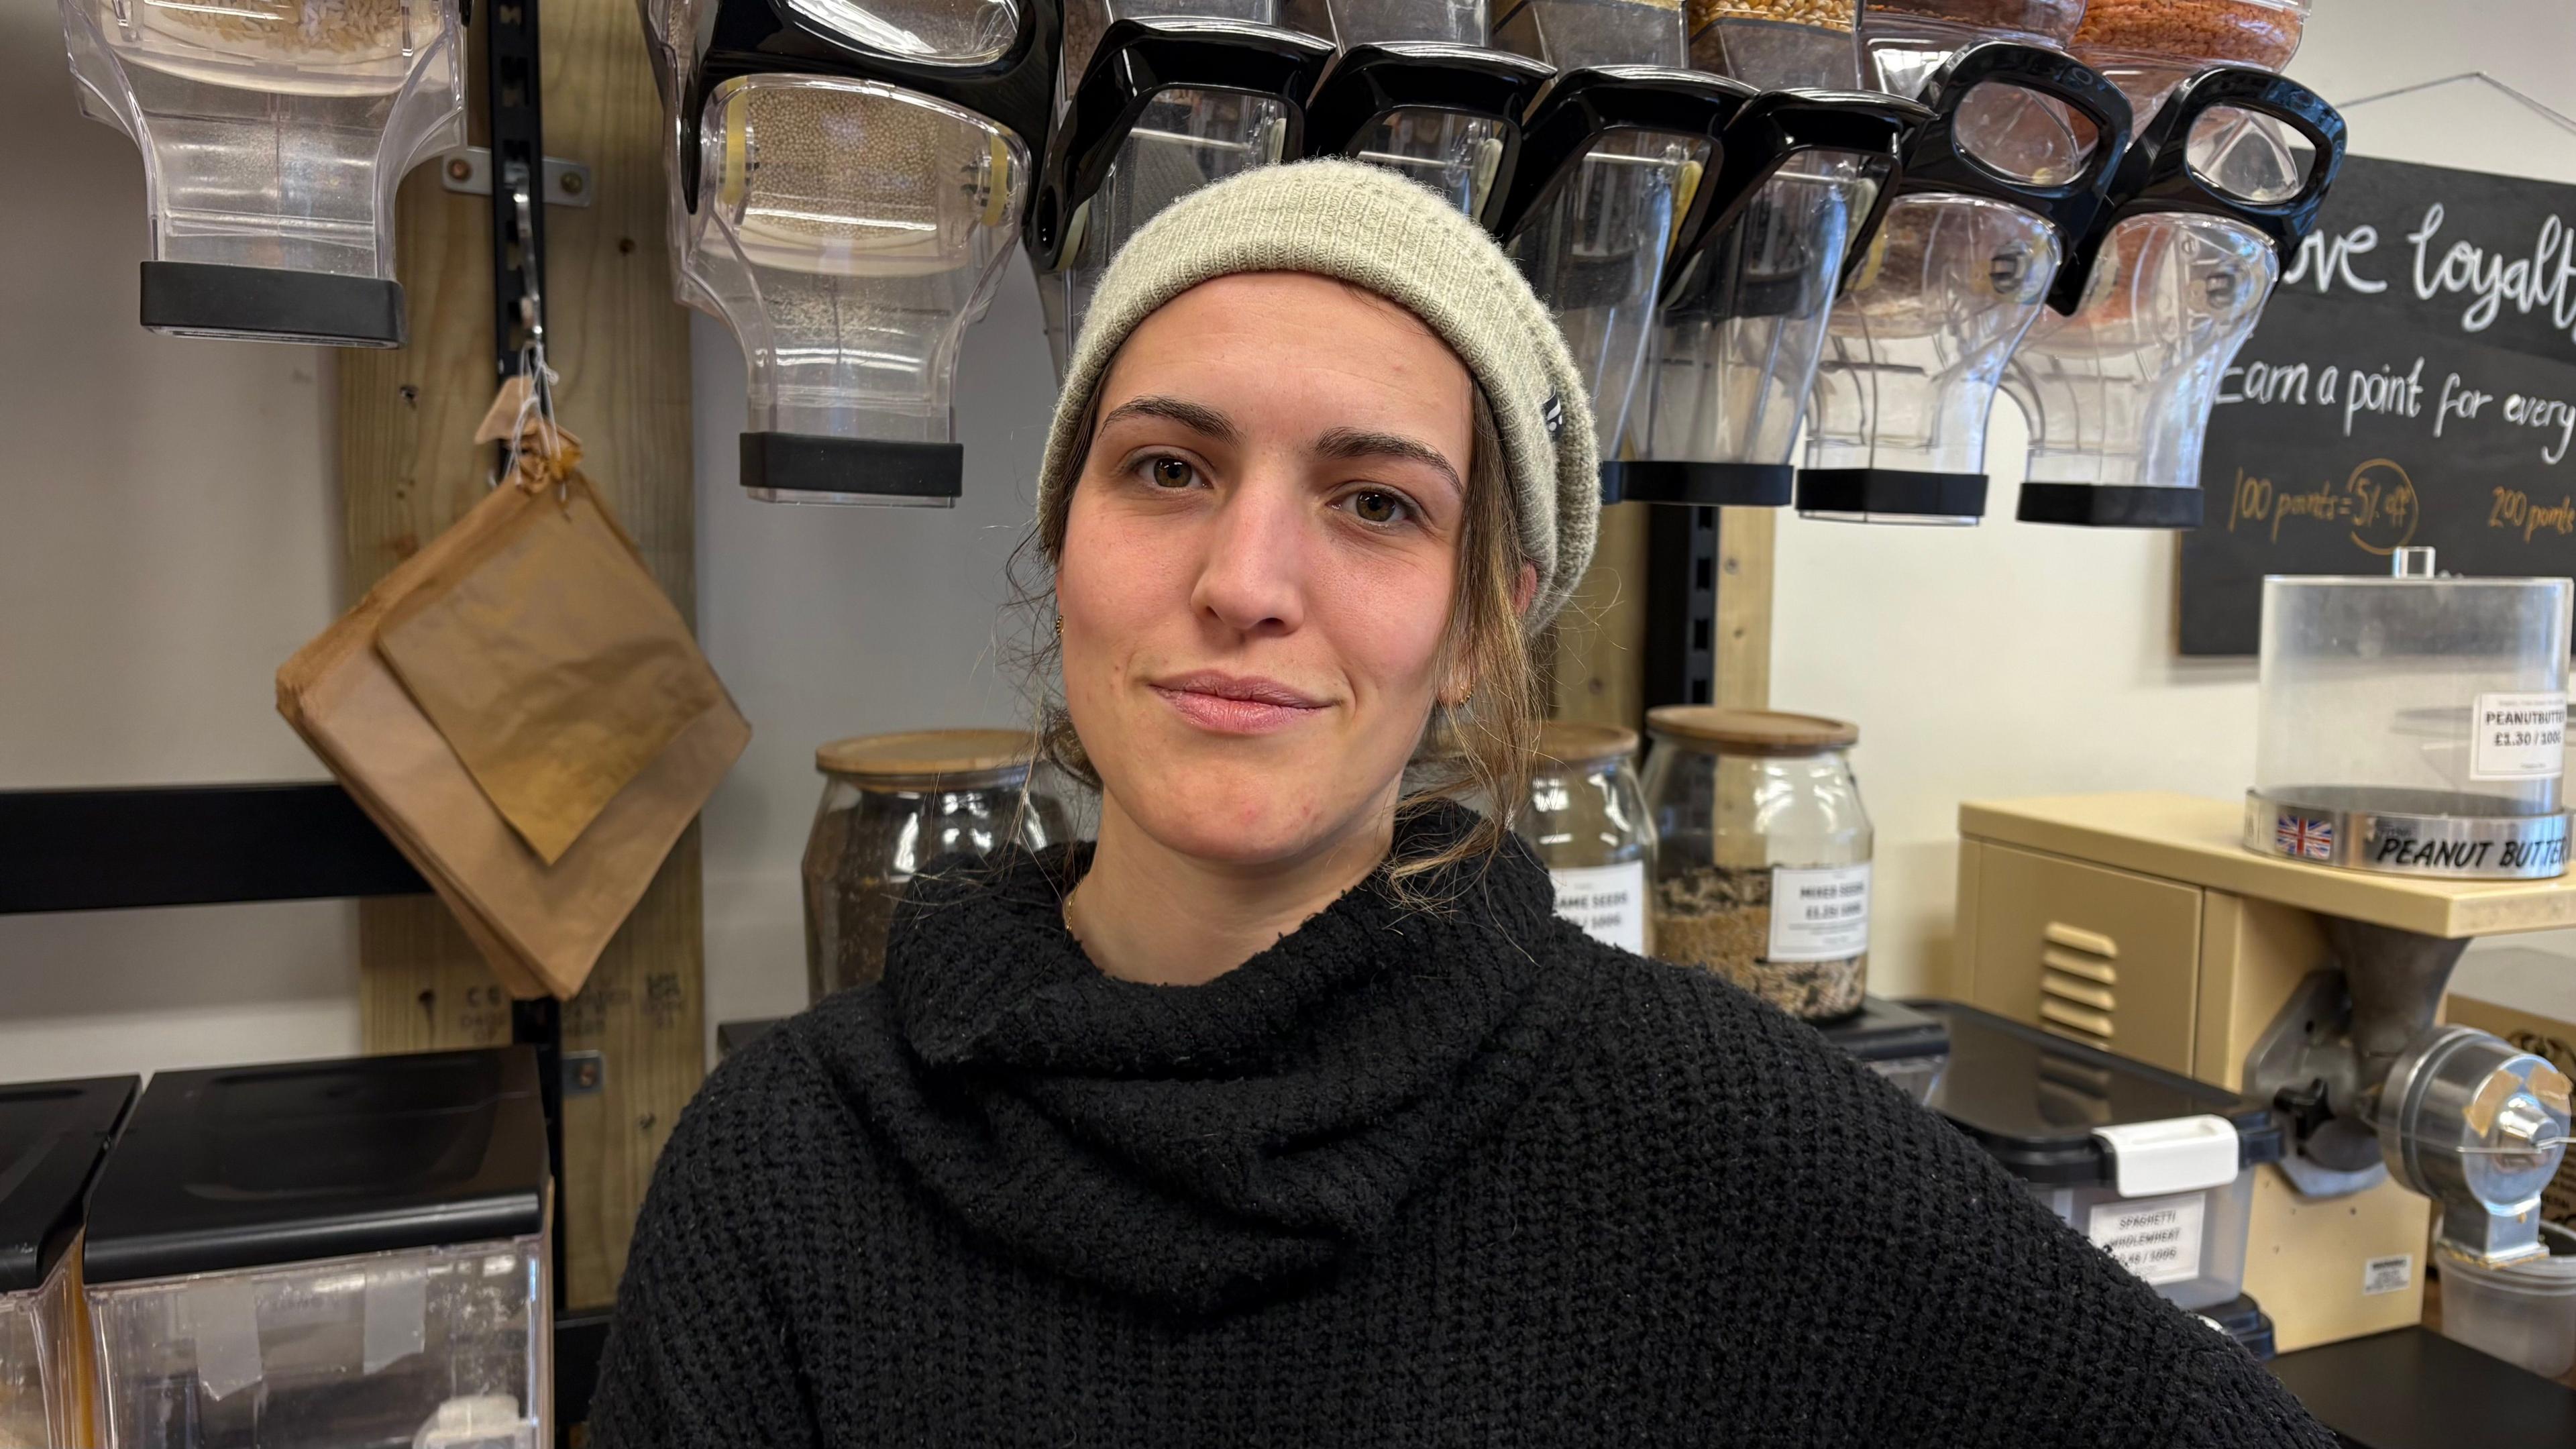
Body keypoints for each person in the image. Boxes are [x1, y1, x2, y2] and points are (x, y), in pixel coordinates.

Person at [589, 160, 2330, 1448]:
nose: (1246, 579)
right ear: (1067, 543)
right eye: (1170, 470)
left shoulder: (1706, 1125)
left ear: (1483, 623)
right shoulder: (789, 1168)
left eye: (1375, 505)